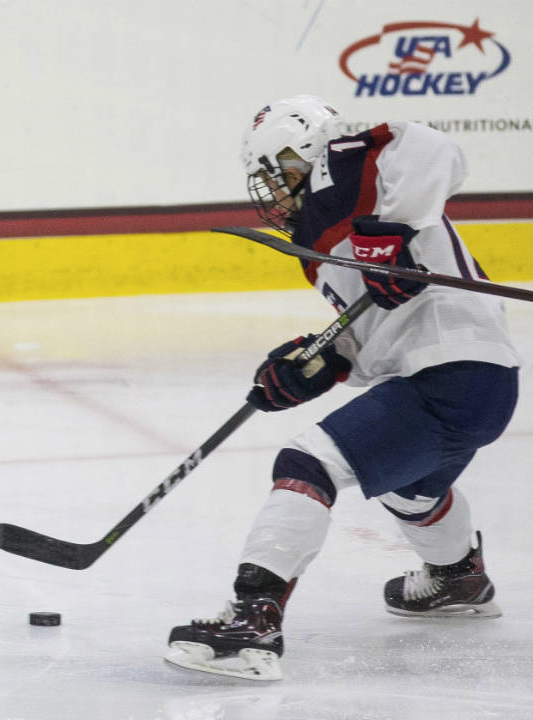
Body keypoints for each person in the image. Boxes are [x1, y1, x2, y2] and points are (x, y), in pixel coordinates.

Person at [165, 95, 521, 680]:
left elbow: (434, 148)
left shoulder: (347, 169)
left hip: (450, 368)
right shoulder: (320, 241)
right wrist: (314, 363)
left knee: (308, 464)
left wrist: (391, 233)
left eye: (272, 175)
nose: (269, 192)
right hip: (473, 380)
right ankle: (458, 577)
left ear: (297, 157)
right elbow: (371, 327)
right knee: (407, 491)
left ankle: (254, 618)